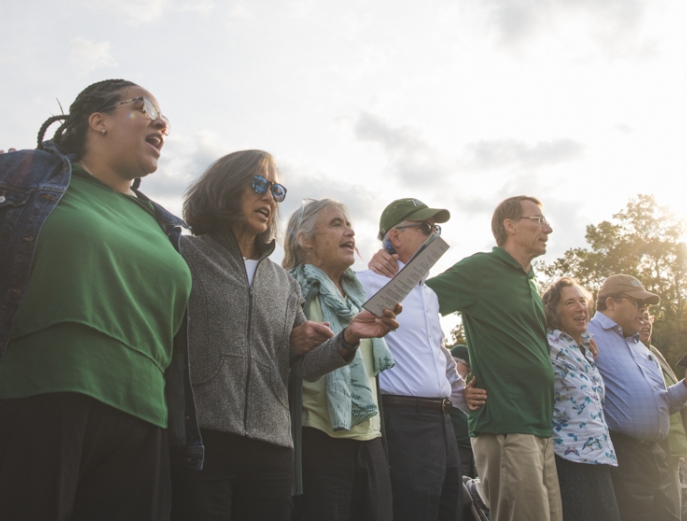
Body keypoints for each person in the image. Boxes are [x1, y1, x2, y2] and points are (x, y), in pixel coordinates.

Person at [0, 79, 196, 521]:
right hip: (31, 401)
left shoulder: (164, 228)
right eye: (143, 106)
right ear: (96, 121)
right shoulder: (20, 175)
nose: (160, 122)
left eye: (165, 119)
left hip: (143, 425)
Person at [173, 152, 399, 521]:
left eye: (276, 190)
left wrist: (350, 337)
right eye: (258, 185)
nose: (270, 198)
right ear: (224, 188)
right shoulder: (185, 254)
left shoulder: (280, 282)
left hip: (273, 449)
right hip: (203, 441)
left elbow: (305, 367)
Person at [425, 196, 561, 521]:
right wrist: (454, 383)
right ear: (510, 226)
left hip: (540, 426)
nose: (548, 228)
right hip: (505, 425)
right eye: (538, 220)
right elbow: (417, 305)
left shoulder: (529, 280)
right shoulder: (480, 269)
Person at [358, 198, 486, 521]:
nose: (433, 235)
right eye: (425, 228)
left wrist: (460, 393)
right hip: (403, 420)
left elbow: (437, 352)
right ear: (395, 237)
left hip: (443, 423)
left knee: (449, 509)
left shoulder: (429, 294)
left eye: (436, 228)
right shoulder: (366, 282)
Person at [286, 199, 400, 521]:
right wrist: (347, 337)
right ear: (305, 240)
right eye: (336, 224)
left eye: (349, 224)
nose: (349, 231)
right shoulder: (290, 290)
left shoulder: (360, 296)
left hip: (371, 441)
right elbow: (289, 365)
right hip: (317, 441)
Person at [587, 275, 687, 521]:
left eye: (646, 306)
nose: (643, 311)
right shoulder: (586, 335)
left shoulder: (641, 345)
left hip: (657, 455)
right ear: (611, 303)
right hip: (622, 456)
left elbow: (660, 402)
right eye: (637, 303)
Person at [542, 278, 620, 521]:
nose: (581, 307)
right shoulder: (547, 345)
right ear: (554, 312)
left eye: (582, 301)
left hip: (599, 456)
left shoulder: (585, 349)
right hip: (569, 459)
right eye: (570, 303)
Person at [639, 311, 687, 520]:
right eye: (639, 317)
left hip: (672, 448)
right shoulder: (628, 354)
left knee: (675, 509)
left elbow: (677, 404)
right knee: (665, 511)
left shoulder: (654, 352)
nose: (645, 322)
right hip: (652, 448)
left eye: (648, 317)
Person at [448, 345, 478, 479]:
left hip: (467, 447)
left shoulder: (467, 389)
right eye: (466, 366)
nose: (467, 372)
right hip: (454, 446)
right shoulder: (441, 384)